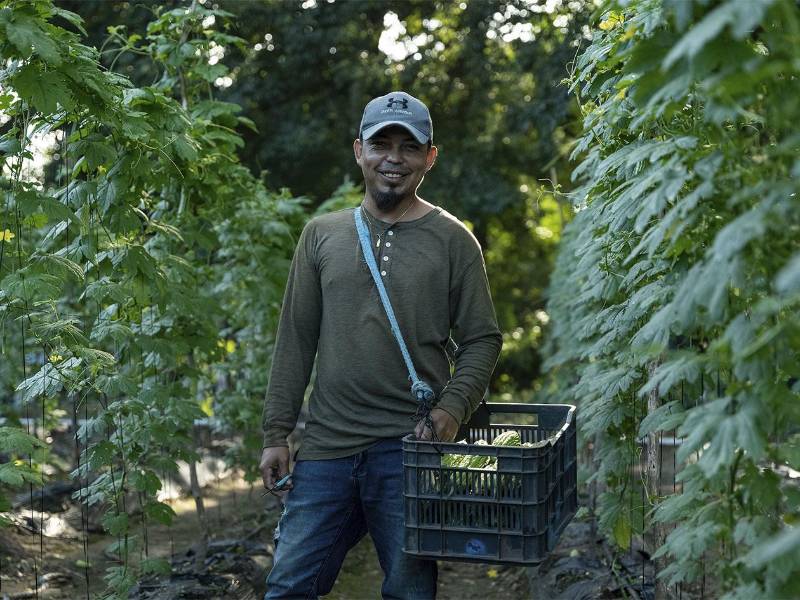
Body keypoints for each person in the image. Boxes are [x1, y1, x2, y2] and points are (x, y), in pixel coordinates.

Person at [260, 91, 502, 599]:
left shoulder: (454, 241)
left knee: (410, 591)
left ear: (429, 158)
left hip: (410, 450)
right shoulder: (321, 235)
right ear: (359, 151)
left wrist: (453, 410)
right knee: (288, 585)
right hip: (327, 448)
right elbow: (296, 340)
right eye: (381, 144)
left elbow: (482, 338)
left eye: (409, 147)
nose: (394, 158)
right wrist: (276, 432)